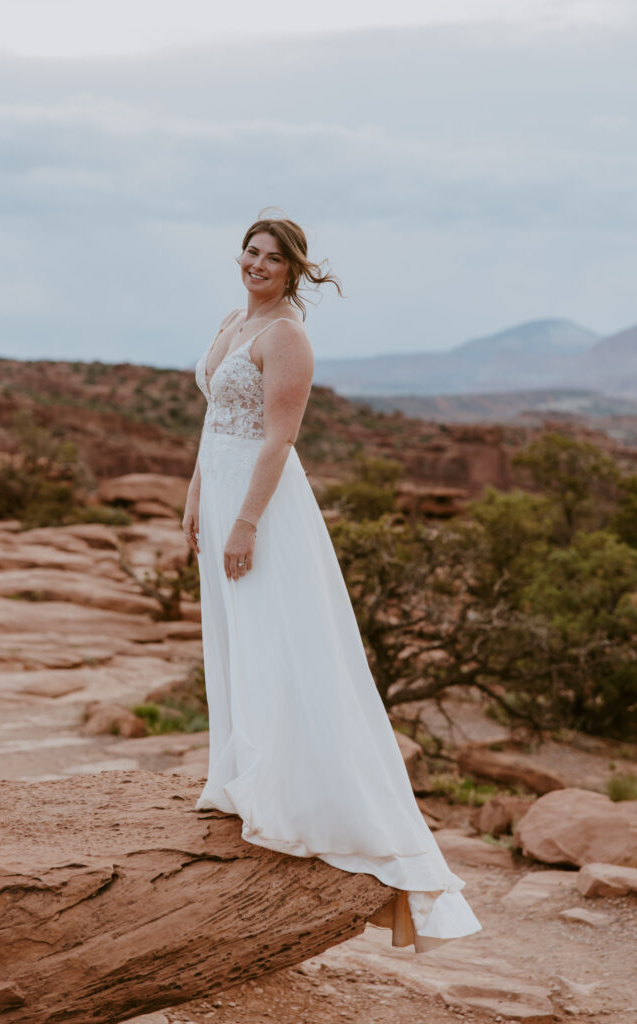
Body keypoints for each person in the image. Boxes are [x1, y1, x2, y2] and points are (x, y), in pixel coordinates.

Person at [182, 211, 482, 950]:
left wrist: (246, 522)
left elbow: (278, 438)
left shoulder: (287, 336)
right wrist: (194, 495)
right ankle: (240, 774)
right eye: (249, 251)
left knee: (275, 636)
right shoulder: (231, 319)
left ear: (294, 268)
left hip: (261, 505)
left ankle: (296, 796)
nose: (256, 264)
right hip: (218, 489)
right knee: (233, 638)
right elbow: (216, 420)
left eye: (272, 257)